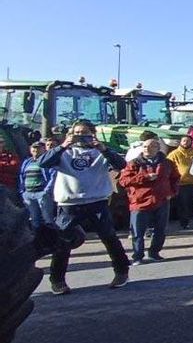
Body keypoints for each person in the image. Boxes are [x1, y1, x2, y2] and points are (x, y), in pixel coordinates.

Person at [38, 120, 131, 294]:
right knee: (63, 242)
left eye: (85, 133)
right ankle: (57, 280)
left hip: (96, 202)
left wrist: (102, 148)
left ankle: (122, 271)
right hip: (69, 204)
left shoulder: (100, 152)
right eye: (77, 133)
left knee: (109, 237)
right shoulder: (63, 152)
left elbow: (121, 164)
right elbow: (43, 162)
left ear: (93, 133)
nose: (81, 136)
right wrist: (64, 145)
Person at [117, 138, 179, 264]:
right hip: (140, 201)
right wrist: (144, 177)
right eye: (145, 146)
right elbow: (124, 181)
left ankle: (154, 252)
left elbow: (176, 178)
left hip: (161, 200)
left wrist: (171, 193)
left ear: (157, 148)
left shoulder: (167, 163)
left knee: (160, 229)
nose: (147, 149)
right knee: (138, 231)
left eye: (151, 146)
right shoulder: (134, 163)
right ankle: (138, 256)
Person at [167, 135, 193, 229]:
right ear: (180, 142)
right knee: (183, 205)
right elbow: (168, 167)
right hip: (181, 183)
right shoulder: (174, 154)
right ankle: (184, 223)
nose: (186, 142)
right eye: (184, 140)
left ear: (191, 142)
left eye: (188, 141)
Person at [18, 141, 53, 228]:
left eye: (38, 147)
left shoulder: (48, 161)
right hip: (28, 193)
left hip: (42, 193)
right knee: (34, 219)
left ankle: (51, 238)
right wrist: (22, 191)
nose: (35, 149)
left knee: (47, 218)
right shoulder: (27, 162)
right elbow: (22, 176)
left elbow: (53, 176)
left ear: (43, 149)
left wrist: (47, 190)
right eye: (33, 147)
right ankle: (37, 239)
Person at [0, 137, 19, 204]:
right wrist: (4, 165)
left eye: (1, 142)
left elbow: (14, 167)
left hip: (8, 186)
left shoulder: (10, 156)